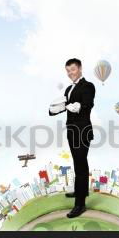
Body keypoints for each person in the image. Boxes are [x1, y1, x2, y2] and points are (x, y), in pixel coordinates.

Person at [49, 58, 95, 218]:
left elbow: (88, 104)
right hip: (72, 131)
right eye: (68, 70)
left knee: (81, 166)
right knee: (77, 164)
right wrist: (54, 109)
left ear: (80, 69)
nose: (70, 73)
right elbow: (65, 106)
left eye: (73, 69)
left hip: (82, 131)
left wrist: (80, 107)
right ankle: (79, 192)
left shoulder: (88, 86)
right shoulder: (68, 88)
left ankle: (80, 205)